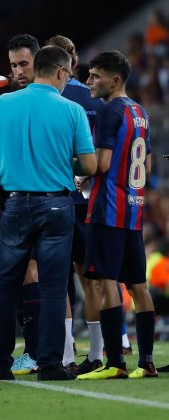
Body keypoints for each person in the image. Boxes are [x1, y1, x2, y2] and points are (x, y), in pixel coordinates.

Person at [0, 46, 97, 381]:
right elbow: (88, 164)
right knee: (52, 287)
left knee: (6, 285)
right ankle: (49, 364)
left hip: (14, 203)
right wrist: (66, 161)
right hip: (57, 204)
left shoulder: (3, 104)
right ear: (61, 71)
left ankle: (0, 364)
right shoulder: (72, 110)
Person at [78, 50, 158, 380]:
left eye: (95, 76)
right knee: (139, 286)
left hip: (108, 210)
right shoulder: (139, 112)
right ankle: (147, 362)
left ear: (115, 80)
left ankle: (114, 363)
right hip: (132, 212)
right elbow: (148, 166)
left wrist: (81, 170)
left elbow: (104, 164)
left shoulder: (110, 111)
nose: (88, 81)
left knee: (106, 283)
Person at [44, 35, 105, 375]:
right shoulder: (90, 96)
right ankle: (97, 353)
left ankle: (66, 356)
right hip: (87, 198)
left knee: (58, 280)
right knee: (90, 279)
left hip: (55, 196)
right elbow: (100, 149)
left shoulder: (45, 97)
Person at [4, 34, 45, 376]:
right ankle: (46, 349)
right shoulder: (10, 101)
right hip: (14, 199)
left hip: (36, 200)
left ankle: (35, 351)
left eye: (23, 64)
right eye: (13, 65)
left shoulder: (48, 101)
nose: (18, 71)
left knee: (32, 273)